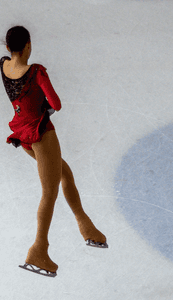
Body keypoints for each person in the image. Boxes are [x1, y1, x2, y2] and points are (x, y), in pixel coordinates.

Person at [0, 26, 107, 277]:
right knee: (49, 193)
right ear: (28, 46)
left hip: (22, 135)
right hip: (41, 135)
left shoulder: (3, 66)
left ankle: (86, 226)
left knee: (65, 175)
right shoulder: (36, 71)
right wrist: (43, 105)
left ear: (7, 48)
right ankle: (39, 250)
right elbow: (56, 104)